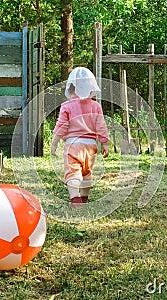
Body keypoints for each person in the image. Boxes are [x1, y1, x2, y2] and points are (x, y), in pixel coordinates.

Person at [51, 67, 109, 208]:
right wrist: (105, 143)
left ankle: (75, 199)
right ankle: (84, 197)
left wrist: (54, 144)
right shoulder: (96, 106)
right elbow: (101, 125)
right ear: (91, 88)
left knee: (73, 172)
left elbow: (61, 126)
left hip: (73, 145)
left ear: (71, 89)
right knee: (86, 172)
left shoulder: (67, 106)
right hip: (90, 145)